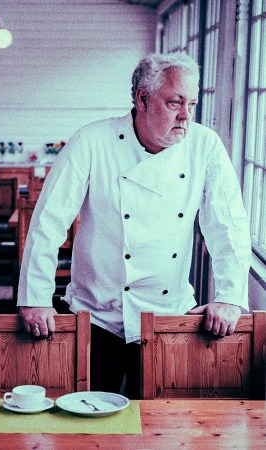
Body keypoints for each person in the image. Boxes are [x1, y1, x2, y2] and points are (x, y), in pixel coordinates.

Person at [17, 53, 251, 398]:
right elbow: (48, 222)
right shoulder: (92, 141)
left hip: (169, 316)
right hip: (96, 317)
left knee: (167, 427)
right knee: (89, 425)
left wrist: (229, 296)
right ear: (142, 98)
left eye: (191, 103)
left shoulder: (205, 145)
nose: (186, 116)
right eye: (175, 102)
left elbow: (228, 225)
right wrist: (35, 297)